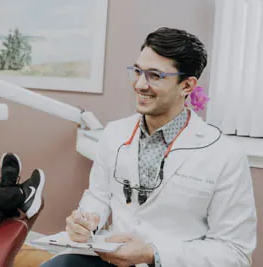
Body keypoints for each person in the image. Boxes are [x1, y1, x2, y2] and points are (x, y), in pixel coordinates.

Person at [43, 27, 257, 267]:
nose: (140, 85)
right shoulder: (114, 134)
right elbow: (98, 196)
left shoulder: (225, 155)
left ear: (186, 86)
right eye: (137, 71)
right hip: (111, 260)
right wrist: (87, 219)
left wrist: (151, 253)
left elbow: (235, 253)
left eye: (155, 76)